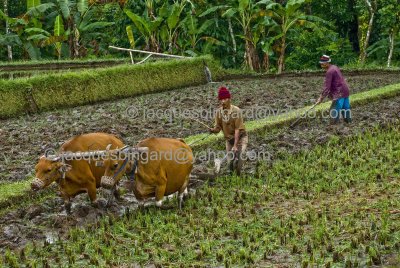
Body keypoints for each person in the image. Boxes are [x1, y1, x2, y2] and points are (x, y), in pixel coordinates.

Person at [209, 86, 248, 175]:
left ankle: (240, 173)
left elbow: (237, 129)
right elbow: (218, 128)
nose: (223, 101)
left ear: (229, 99)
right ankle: (231, 175)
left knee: (239, 159)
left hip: (241, 138)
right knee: (230, 163)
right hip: (229, 140)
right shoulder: (219, 113)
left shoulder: (236, 111)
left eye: (225, 99)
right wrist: (213, 130)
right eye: (221, 99)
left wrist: (235, 145)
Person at [316, 55, 352, 124]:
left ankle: (333, 126)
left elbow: (327, 87)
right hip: (345, 90)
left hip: (339, 92)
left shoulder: (329, 72)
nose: (321, 64)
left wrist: (321, 98)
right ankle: (349, 123)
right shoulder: (334, 67)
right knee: (346, 108)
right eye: (321, 63)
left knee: (334, 109)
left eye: (323, 63)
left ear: (327, 63)